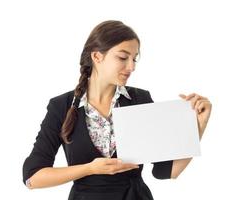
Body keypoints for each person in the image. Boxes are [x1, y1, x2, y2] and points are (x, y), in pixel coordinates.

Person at [22, 20, 212, 200]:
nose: (131, 67)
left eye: (134, 59)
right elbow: (33, 177)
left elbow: (167, 171)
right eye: (122, 57)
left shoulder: (140, 100)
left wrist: (198, 126)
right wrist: (90, 169)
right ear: (97, 56)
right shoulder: (61, 106)